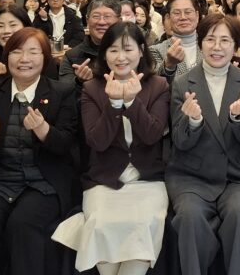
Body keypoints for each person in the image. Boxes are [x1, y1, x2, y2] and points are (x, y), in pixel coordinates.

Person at [54, 23, 170, 275]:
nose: (121, 57)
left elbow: (152, 135)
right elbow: (97, 141)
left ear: (141, 51)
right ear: (104, 54)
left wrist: (132, 102)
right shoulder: (92, 89)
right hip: (104, 180)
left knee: (144, 225)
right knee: (101, 225)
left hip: (147, 180)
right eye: (113, 50)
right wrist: (114, 105)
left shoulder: (158, 85)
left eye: (128, 49)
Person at [0, 27, 79, 275]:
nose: (24, 59)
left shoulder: (62, 92)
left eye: (33, 52)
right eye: (16, 52)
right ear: (7, 56)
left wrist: (43, 130)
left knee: (23, 223)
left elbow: (66, 145)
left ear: (45, 58)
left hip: (43, 181)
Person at [168, 14, 240, 275]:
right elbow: (180, 142)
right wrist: (193, 122)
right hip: (192, 177)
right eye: (210, 39)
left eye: (225, 40)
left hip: (238, 176)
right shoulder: (183, 83)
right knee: (189, 217)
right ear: (201, 44)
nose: (217, 47)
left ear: (236, 47)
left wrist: (239, 119)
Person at [58, 0, 122, 91]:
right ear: (87, 20)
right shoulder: (72, 56)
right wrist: (79, 82)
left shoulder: (130, 54)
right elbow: (63, 92)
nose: (101, 22)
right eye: (96, 16)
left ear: (119, 21)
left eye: (107, 16)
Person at [149, 0, 201, 84]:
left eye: (188, 12)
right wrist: (169, 65)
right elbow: (155, 85)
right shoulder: (156, 51)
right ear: (168, 18)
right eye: (177, 13)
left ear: (197, 16)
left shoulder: (211, 45)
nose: (183, 17)